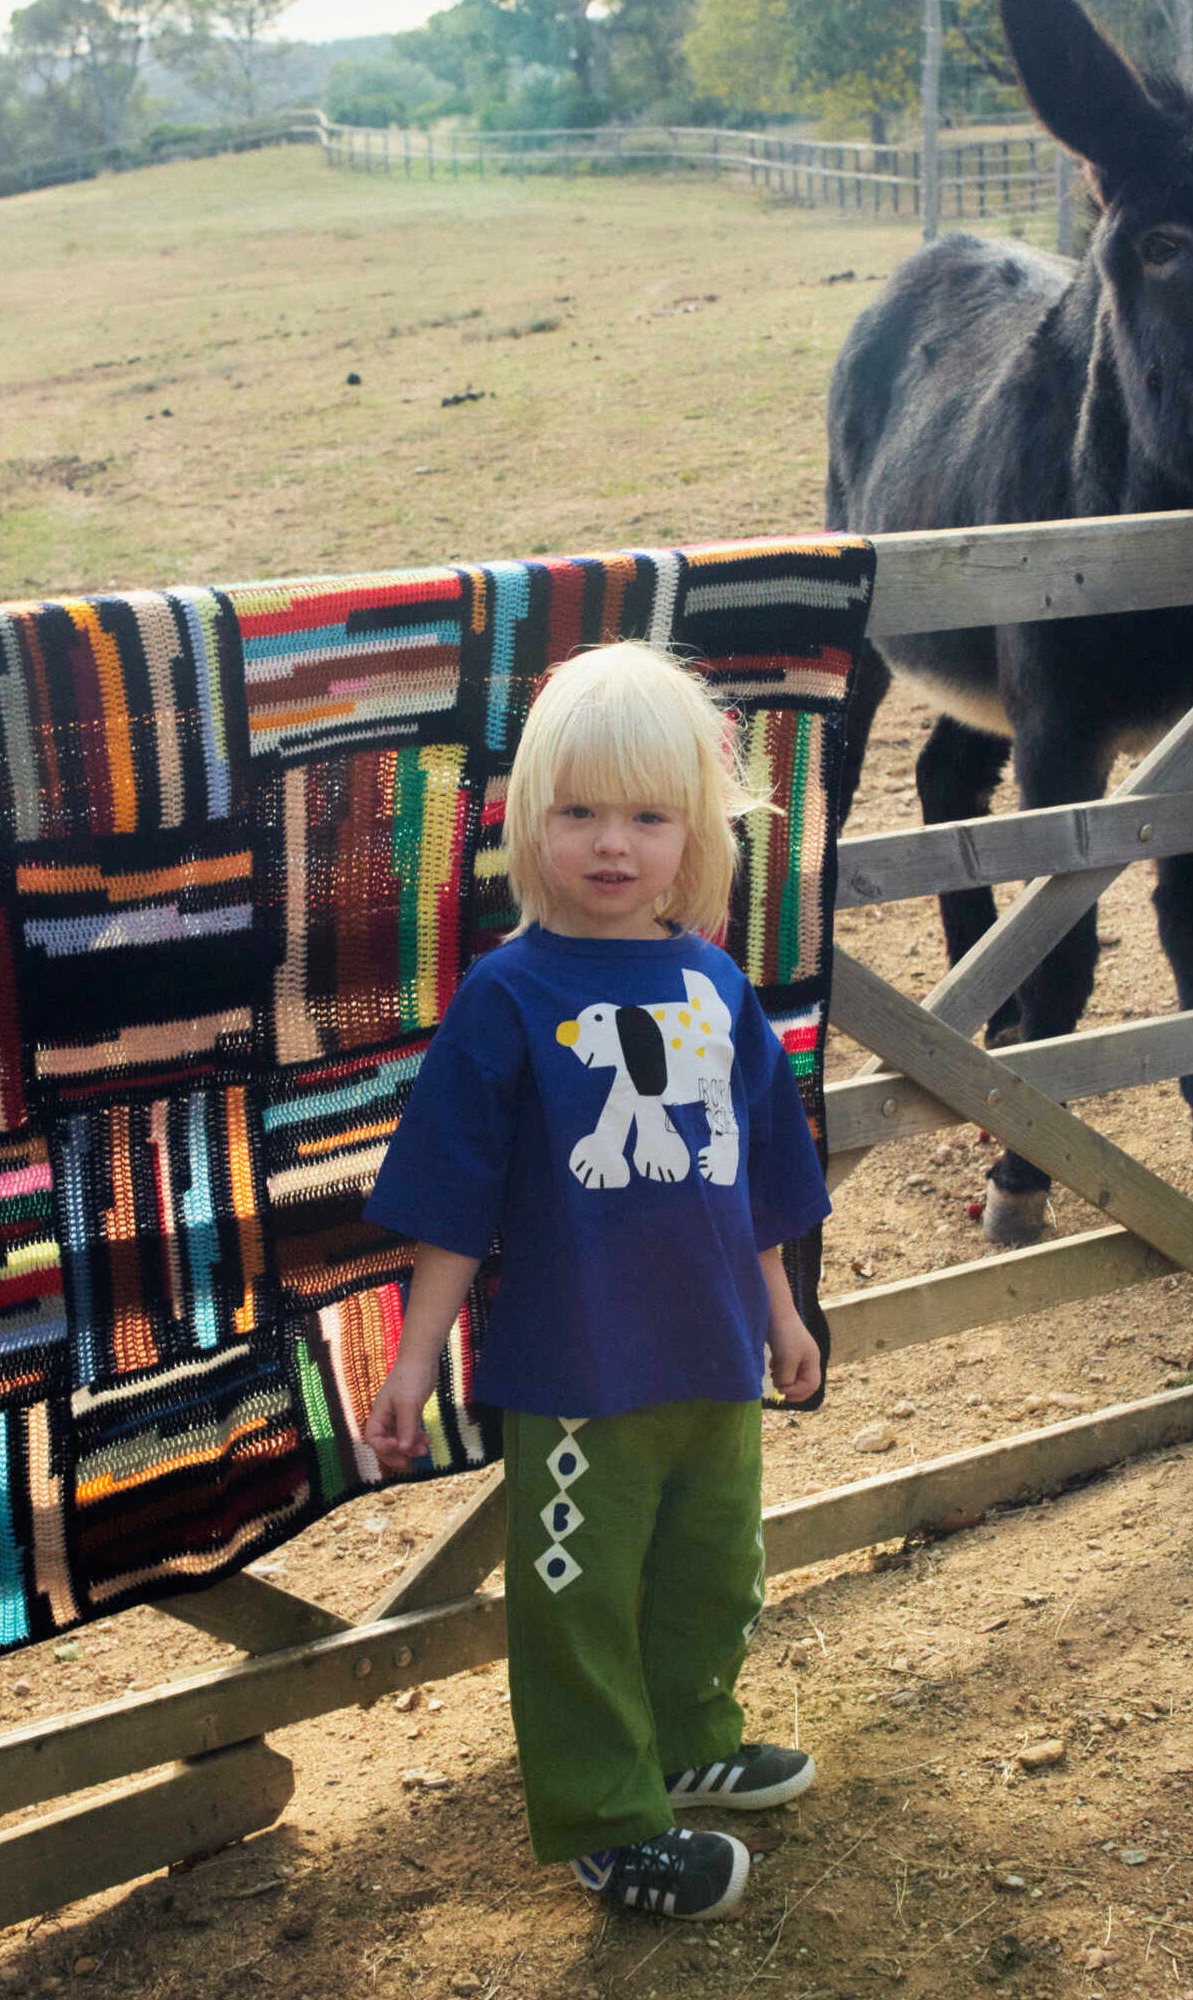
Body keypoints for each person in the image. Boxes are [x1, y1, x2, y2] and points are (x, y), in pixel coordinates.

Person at [362, 641, 831, 1923]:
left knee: (710, 1568)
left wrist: (782, 1312)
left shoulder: (714, 982)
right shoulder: (504, 998)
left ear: (693, 833)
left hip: (714, 1356)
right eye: (577, 812)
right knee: (573, 1596)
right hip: (577, 1375)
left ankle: (689, 1737)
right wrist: (412, 1362)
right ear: (527, 823)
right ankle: (605, 1816)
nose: (609, 843)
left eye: (644, 813)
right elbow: (453, 1199)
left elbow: (754, 1170)